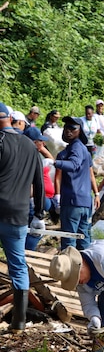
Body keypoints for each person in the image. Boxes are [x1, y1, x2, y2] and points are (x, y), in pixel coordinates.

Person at [0, 103, 45, 331]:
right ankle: (19, 321)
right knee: (18, 265)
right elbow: (39, 183)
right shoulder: (30, 145)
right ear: (9, 118)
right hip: (19, 214)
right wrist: (39, 213)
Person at [55, 116, 99, 250]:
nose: (68, 131)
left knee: (69, 241)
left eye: (72, 128)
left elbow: (74, 164)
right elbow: (91, 173)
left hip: (73, 201)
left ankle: (70, 270)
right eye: (66, 127)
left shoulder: (76, 148)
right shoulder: (83, 150)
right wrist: (96, 193)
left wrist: (54, 162)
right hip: (85, 201)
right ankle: (86, 269)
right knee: (84, 240)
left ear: (79, 131)